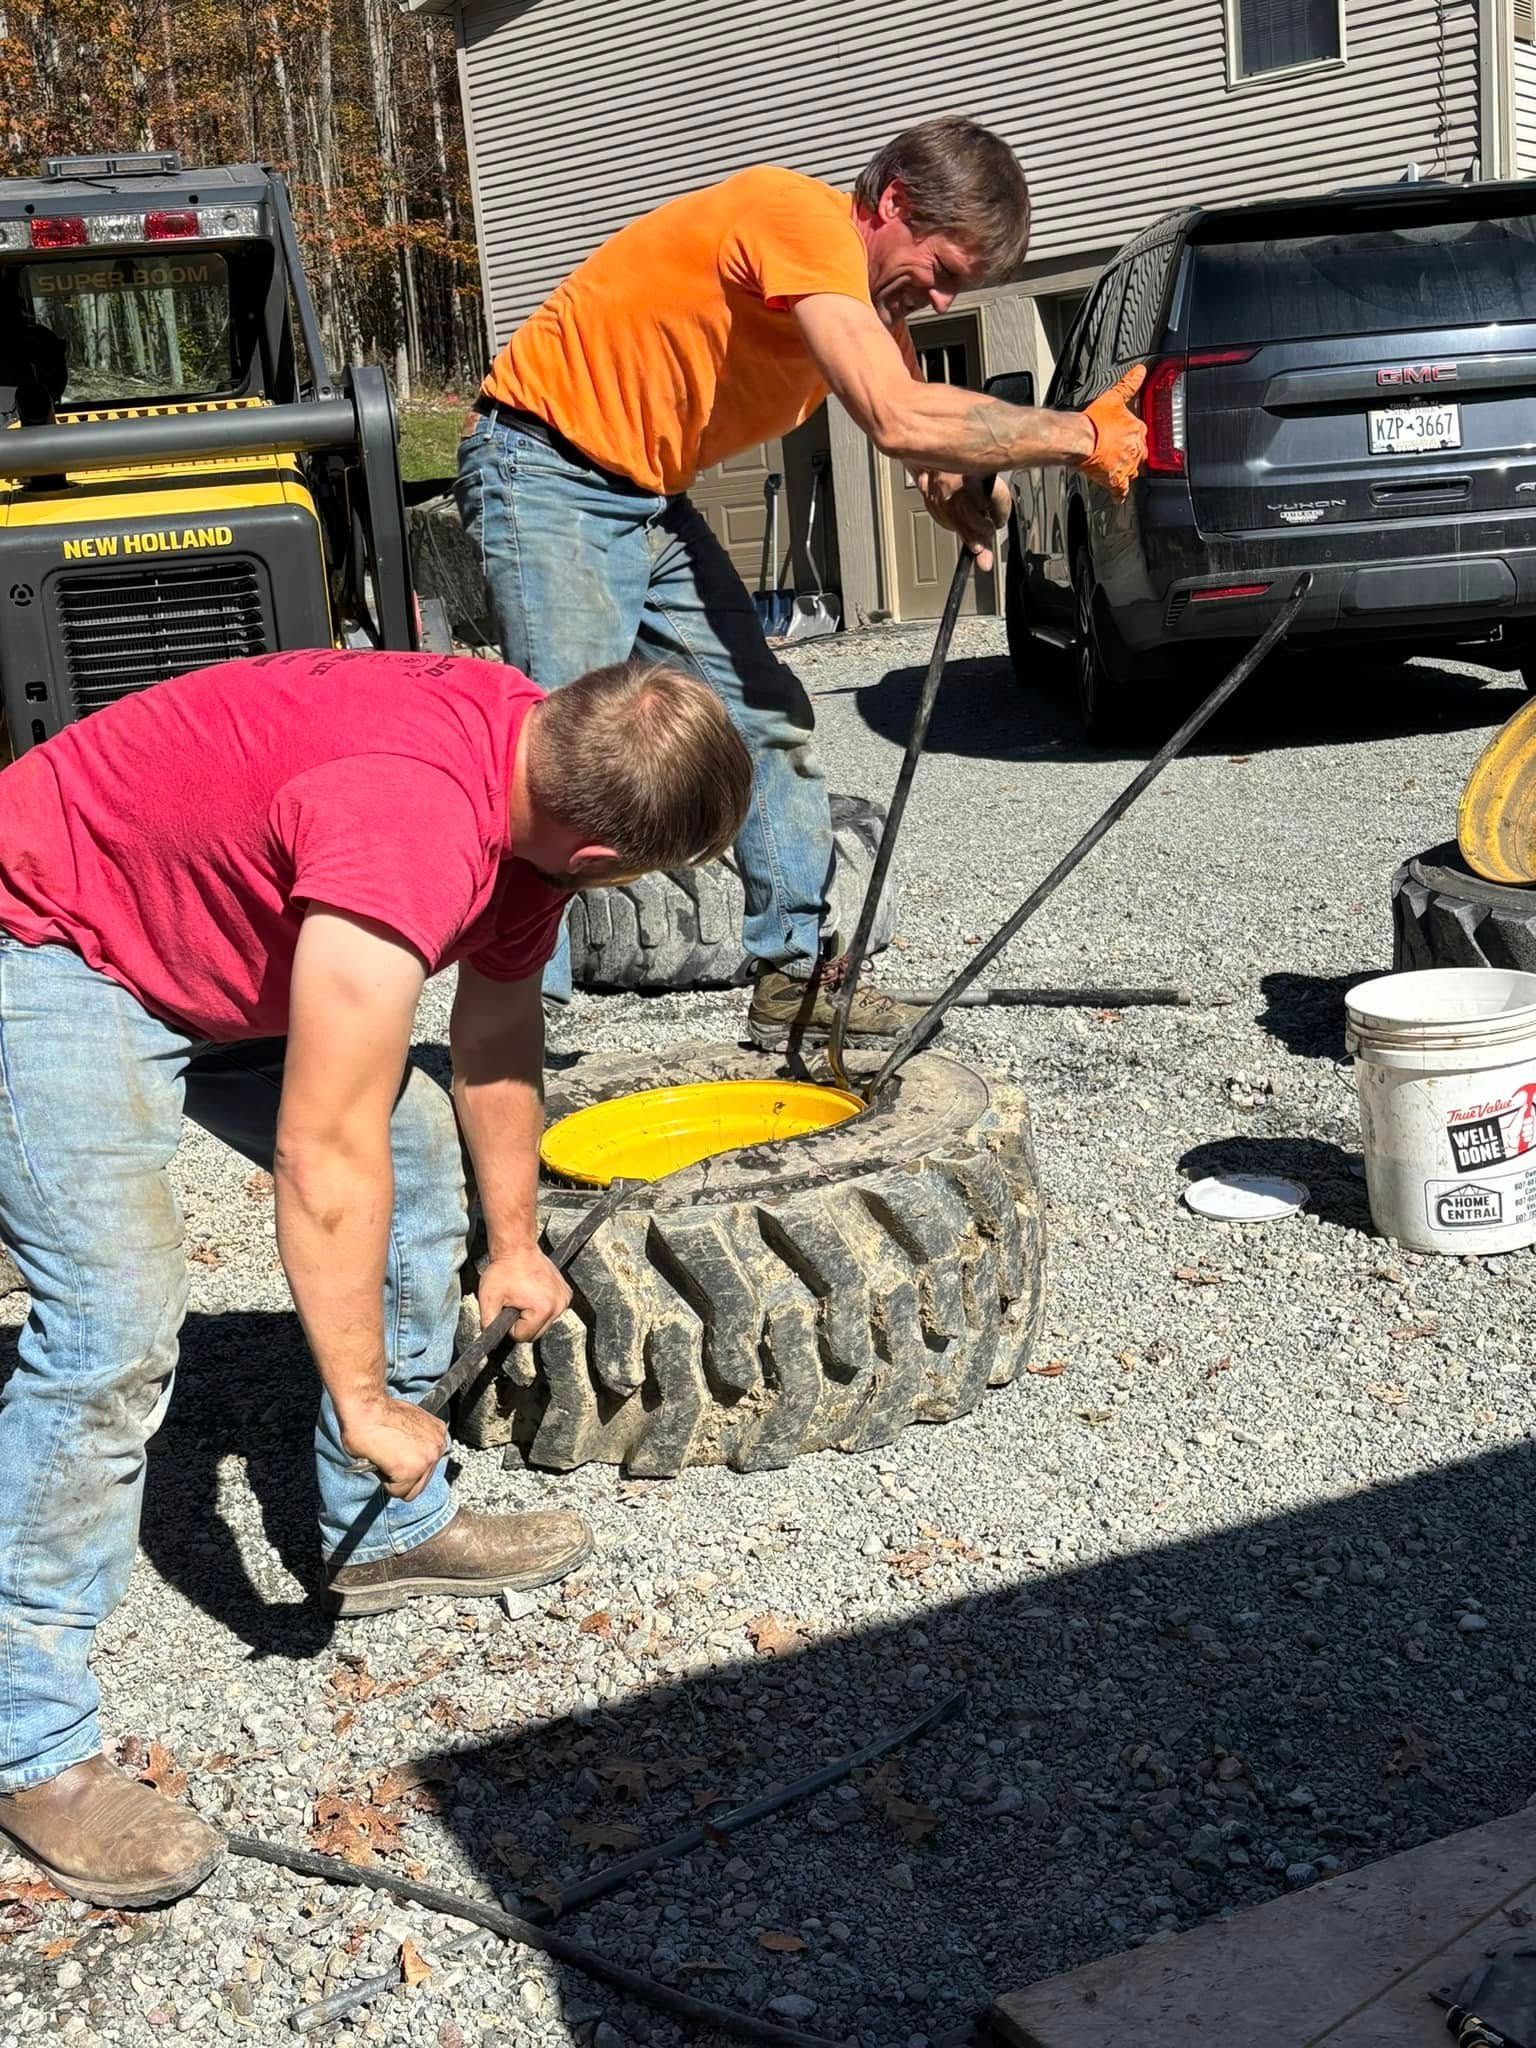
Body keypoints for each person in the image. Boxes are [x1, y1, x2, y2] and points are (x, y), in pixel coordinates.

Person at [0, 648, 752, 1909]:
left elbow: (498, 1034)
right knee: (110, 1324)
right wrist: (359, 1386)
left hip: (216, 942)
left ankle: (383, 1526)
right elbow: (321, 1149)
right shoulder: (413, 825)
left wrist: (513, 1242)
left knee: (417, 1148)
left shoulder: (541, 771)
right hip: (54, 935)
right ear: (600, 861)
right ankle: (25, 1737)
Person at [457, 116, 1148, 1049]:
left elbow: (924, 441)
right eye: (944, 269)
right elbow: (899, 417)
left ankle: (793, 977)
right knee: (559, 759)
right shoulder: (797, 216)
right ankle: (511, 1038)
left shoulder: (864, 309)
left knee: (766, 717)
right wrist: (1078, 437)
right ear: (892, 203)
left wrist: (963, 498)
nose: (941, 299)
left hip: (645, 496)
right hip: (543, 467)